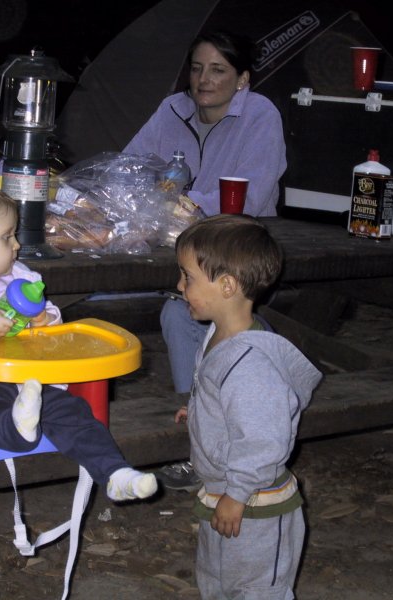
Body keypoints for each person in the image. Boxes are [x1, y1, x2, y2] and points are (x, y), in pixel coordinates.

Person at [0, 177, 158, 502]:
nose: (16, 245)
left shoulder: (19, 277)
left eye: (14, 235)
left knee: (73, 412)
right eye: (6, 237)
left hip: (27, 380)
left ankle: (115, 473)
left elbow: (51, 320)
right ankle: (17, 425)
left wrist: (45, 319)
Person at [124, 30, 287, 490]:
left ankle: (207, 438)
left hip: (240, 247)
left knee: (180, 313)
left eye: (218, 70)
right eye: (197, 68)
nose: (204, 80)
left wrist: (182, 202)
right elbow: (130, 166)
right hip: (174, 245)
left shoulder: (260, 114)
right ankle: (200, 421)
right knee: (104, 293)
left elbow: (251, 197)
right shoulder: (171, 109)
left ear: (242, 78)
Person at [169, 214, 321, 599]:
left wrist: (237, 495)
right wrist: (201, 412)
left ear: (227, 285)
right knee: (217, 578)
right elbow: (225, 398)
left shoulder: (251, 365)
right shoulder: (217, 336)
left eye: (187, 277)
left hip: (254, 503)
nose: (180, 286)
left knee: (255, 588)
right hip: (224, 492)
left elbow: (264, 439)